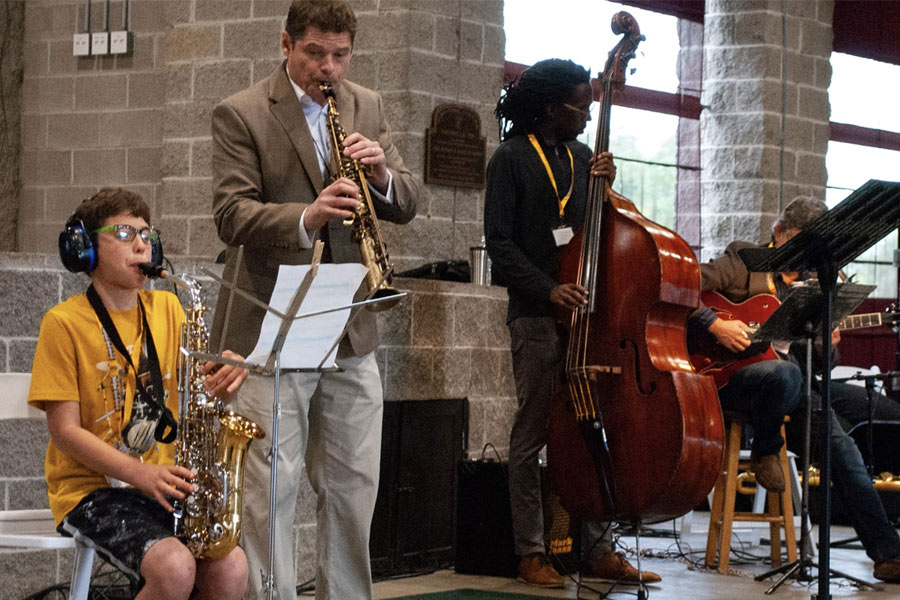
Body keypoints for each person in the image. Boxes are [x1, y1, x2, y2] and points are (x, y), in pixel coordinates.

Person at [208, 1, 419, 599]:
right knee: (270, 485)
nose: (328, 67)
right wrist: (308, 213)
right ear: (286, 43)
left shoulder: (367, 105)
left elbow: (406, 197)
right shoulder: (243, 112)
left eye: (340, 55)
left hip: (350, 323)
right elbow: (230, 213)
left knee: (354, 486)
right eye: (314, 54)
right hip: (272, 326)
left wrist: (380, 177)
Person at [484, 58, 661, 589]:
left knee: (594, 427)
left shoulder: (585, 157)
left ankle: (599, 548)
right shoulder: (510, 159)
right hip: (538, 316)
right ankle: (531, 551)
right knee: (532, 434)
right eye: (580, 107)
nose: (588, 115)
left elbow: (594, 234)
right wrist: (548, 288)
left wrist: (604, 192)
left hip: (589, 316)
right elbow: (501, 245)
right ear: (548, 110)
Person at [27, 188, 250, 599]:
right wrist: (140, 474)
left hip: (161, 486)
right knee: (174, 568)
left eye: (148, 235)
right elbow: (64, 432)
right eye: (126, 233)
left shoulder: (168, 309)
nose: (143, 244)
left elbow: (199, 392)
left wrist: (224, 377)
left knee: (232, 568)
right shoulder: (63, 322)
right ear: (86, 248)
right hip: (91, 492)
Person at [689, 196, 900, 582]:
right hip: (732, 378)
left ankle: (888, 554)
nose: (805, 254)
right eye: (800, 242)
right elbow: (682, 285)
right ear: (780, 233)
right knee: (784, 375)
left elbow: (820, 366)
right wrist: (715, 324)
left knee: (844, 444)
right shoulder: (742, 261)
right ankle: (766, 451)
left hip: (797, 385)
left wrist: (826, 346)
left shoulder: (819, 282)